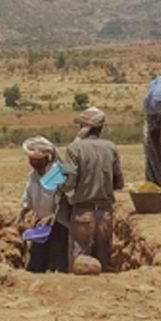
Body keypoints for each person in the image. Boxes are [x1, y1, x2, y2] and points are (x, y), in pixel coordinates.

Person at [57, 107, 123, 273]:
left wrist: (60, 188)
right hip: (105, 213)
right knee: (104, 261)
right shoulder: (111, 147)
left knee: (79, 262)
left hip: (82, 213)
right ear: (101, 128)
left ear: (82, 127)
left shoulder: (75, 148)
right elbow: (119, 182)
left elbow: (70, 183)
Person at [17, 136, 68, 273]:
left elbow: (63, 201)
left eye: (37, 160)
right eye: (31, 160)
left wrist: (52, 216)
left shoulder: (57, 173)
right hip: (40, 225)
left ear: (47, 158)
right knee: (36, 264)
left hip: (58, 225)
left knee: (56, 262)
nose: (33, 163)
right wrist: (21, 215)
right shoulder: (32, 176)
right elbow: (27, 199)